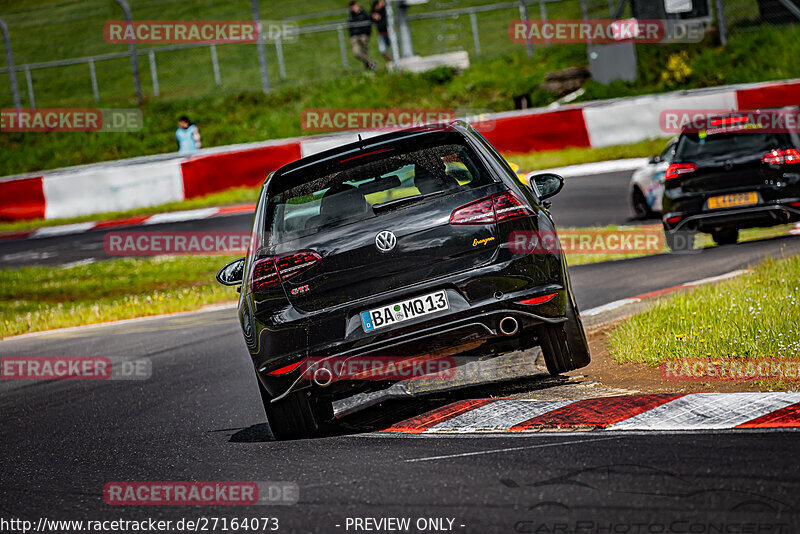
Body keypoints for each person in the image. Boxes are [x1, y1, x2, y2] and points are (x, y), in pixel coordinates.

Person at [347, 0, 375, 71]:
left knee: (365, 52)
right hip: (355, 37)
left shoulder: (364, 13)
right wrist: (352, 35)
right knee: (356, 53)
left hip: (363, 36)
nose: (353, 8)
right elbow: (349, 26)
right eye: (352, 7)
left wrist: (367, 34)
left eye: (354, 6)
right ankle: (371, 63)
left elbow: (369, 23)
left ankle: (368, 69)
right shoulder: (350, 15)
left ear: (357, 5)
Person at [371, 0, 393, 70]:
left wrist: (380, 18)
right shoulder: (375, 11)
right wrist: (373, 16)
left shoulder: (386, 9)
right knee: (382, 50)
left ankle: (399, 61)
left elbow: (387, 21)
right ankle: (391, 62)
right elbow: (370, 15)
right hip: (381, 34)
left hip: (389, 33)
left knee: (395, 48)